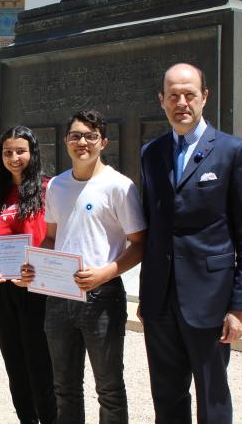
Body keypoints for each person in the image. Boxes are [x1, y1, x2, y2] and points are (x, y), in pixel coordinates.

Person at [139, 63, 242, 423]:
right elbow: (153, 226)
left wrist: (240, 306)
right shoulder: (151, 154)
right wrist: (147, 296)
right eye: (173, 95)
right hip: (160, 300)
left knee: (213, 397)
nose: (181, 102)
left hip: (211, 299)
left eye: (189, 94)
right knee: (166, 396)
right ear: (161, 100)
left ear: (204, 97)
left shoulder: (233, 151)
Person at [21, 110, 147, 424]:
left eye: (90, 136)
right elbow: (51, 237)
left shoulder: (119, 186)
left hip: (102, 296)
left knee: (109, 388)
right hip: (59, 298)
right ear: (66, 141)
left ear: (103, 142)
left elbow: (140, 243)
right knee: (64, 387)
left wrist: (105, 272)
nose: (82, 142)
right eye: (76, 135)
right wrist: (36, 264)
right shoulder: (57, 186)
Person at [0, 125, 56, 424]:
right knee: (15, 364)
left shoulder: (50, 189)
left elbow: (56, 238)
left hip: (38, 289)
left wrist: (41, 265)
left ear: (32, 153)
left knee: (41, 366)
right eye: (7, 152)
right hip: (3, 292)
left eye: (20, 151)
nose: (14, 157)